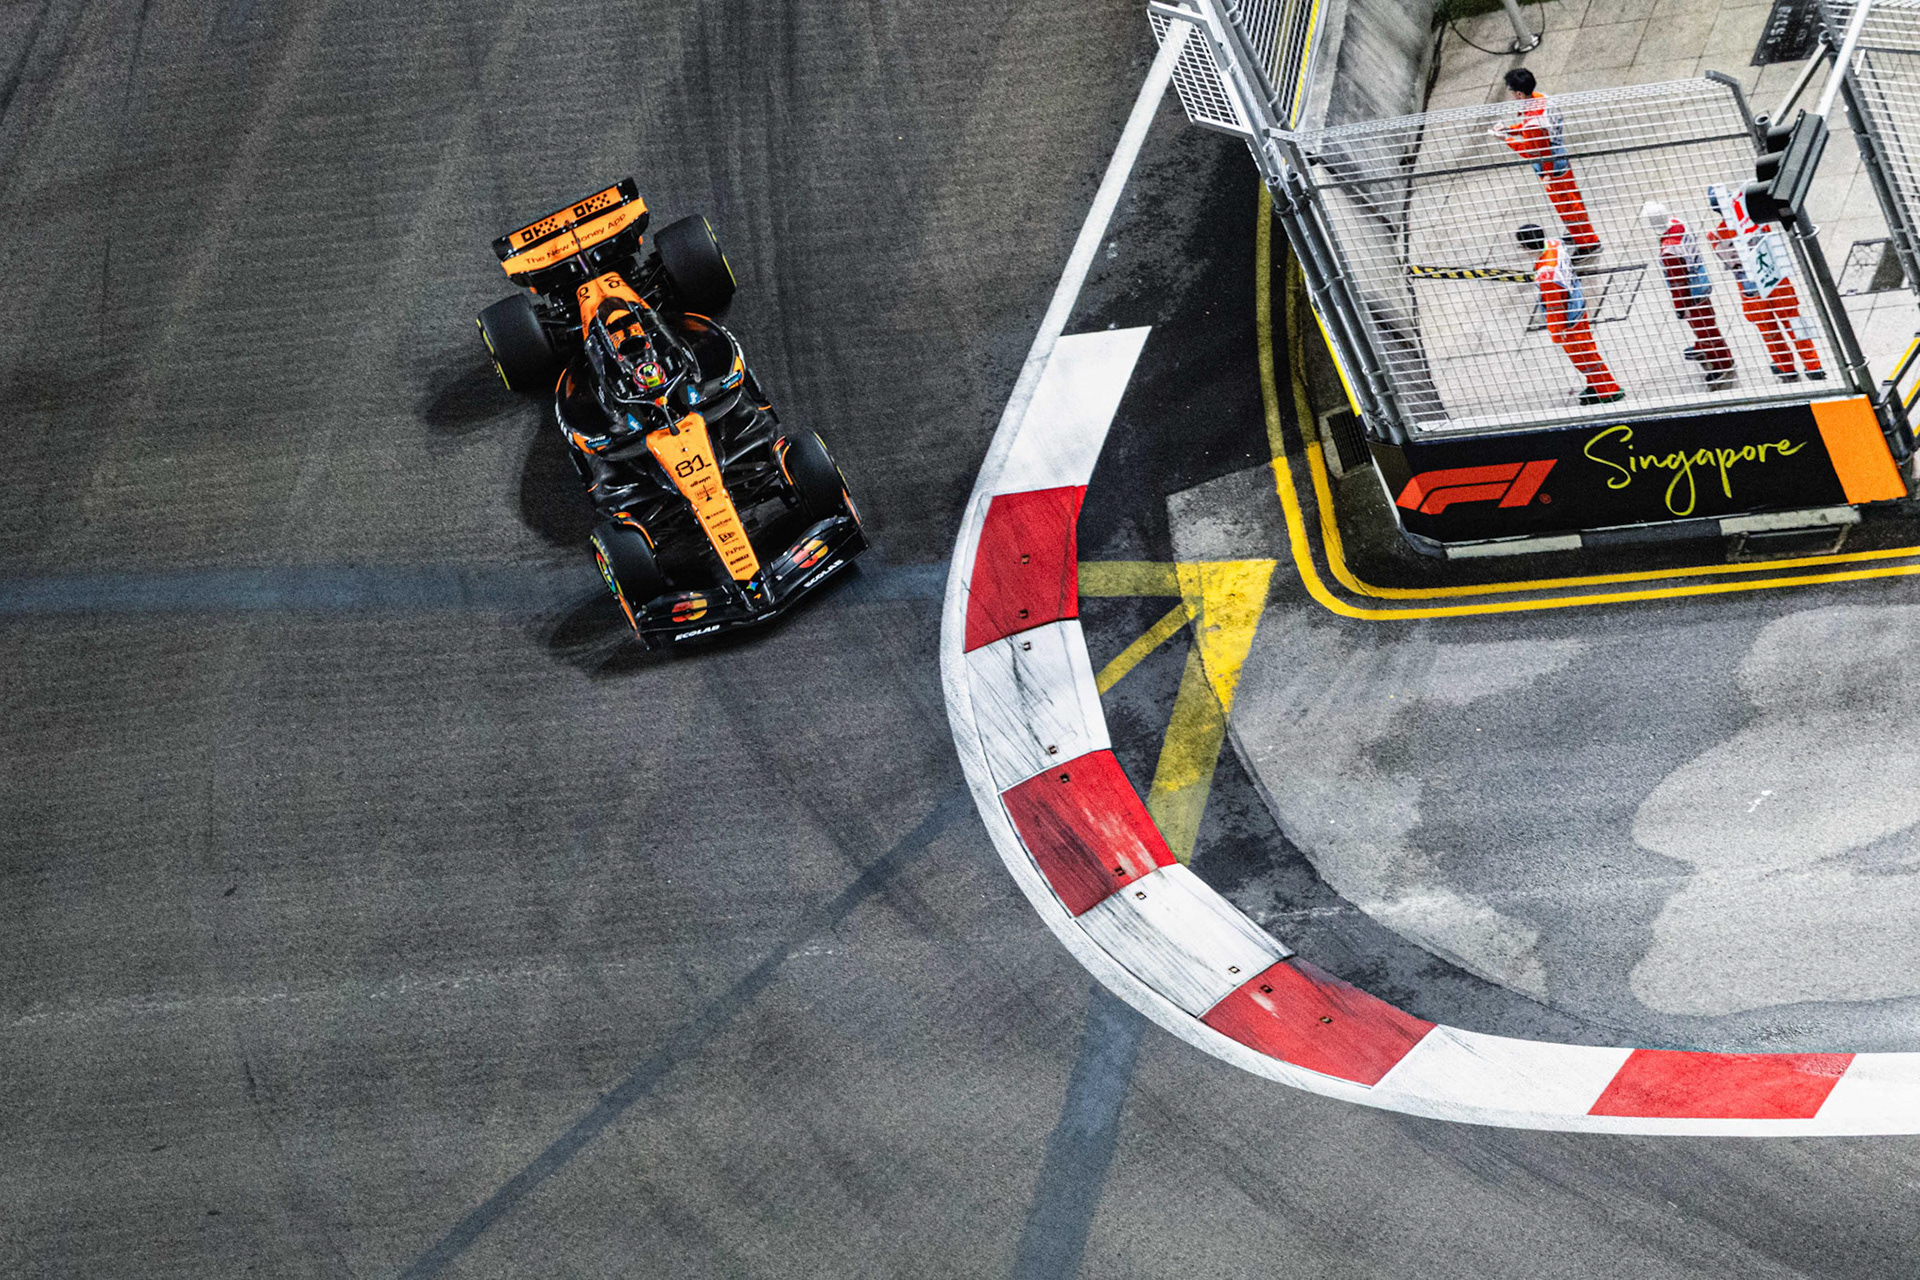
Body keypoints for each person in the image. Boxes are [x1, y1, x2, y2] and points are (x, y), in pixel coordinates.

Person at [1705, 183, 1825, 383]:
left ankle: (1786, 367)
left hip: (1751, 289)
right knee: (1794, 322)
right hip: (1776, 280)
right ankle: (1813, 366)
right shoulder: (1756, 219)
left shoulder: (1715, 237)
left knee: (1769, 330)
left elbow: (1729, 261)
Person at [1494, 68, 1601, 259]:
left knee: (1567, 207)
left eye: (1512, 92)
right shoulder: (1541, 99)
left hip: (1551, 167)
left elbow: (1534, 151)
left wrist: (1506, 139)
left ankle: (1587, 243)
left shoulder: (1535, 123)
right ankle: (1580, 232)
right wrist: (1511, 130)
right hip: (1560, 157)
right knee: (1574, 200)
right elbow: (1530, 129)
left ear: (1519, 93)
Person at [1518, 222, 1622, 405]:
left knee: (1583, 356)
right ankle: (1595, 385)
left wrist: (1557, 332)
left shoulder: (1547, 274)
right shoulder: (1554, 244)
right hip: (1577, 303)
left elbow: (1555, 307)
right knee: (1587, 349)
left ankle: (1608, 390)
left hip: (1568, 317)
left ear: (1527, 246)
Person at [1641, 201, 1734, 387]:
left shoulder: (1669, 251)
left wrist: (1680, 307)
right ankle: (1702, 348)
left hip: (1692, 294)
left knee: (1705, 328)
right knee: (1705, 322)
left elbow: (1678, 285)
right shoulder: (1678, 222)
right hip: (1701, 280)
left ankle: (1723, 364)